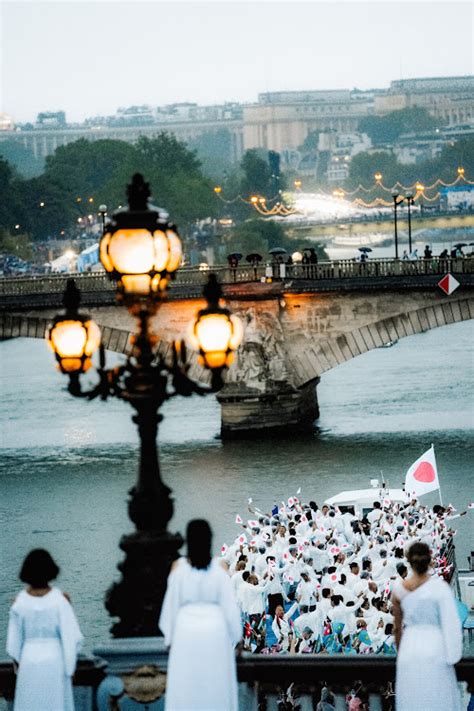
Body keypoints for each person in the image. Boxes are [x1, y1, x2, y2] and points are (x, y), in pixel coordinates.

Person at [159, 519, 241, 711]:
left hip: (185, 632)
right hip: (216, 632)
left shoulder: (178, 571)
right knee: (215, 685)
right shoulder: (219, 571)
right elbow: (230, 610)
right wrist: (237, 639)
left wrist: (170, 639)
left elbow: (169, 610)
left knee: (186, 685)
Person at [6, 549, 83, 711]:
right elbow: (71, 637)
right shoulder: (60, 600)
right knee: (55, 703)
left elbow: (13, 644)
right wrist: (70, 667)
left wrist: (19, 665)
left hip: (29, 660)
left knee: (30, 702)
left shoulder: (19, 603)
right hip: (55, 659)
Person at [392, 542, 462, 711]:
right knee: (437, 697)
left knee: (413, 699)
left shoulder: (399, 589)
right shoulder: (439, 588)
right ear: (429, 561)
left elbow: (397, 628)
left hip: (410, 648)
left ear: (409, 561)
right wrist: (454, 655)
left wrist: (402, 653)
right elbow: (451, 624)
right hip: (435, 646)